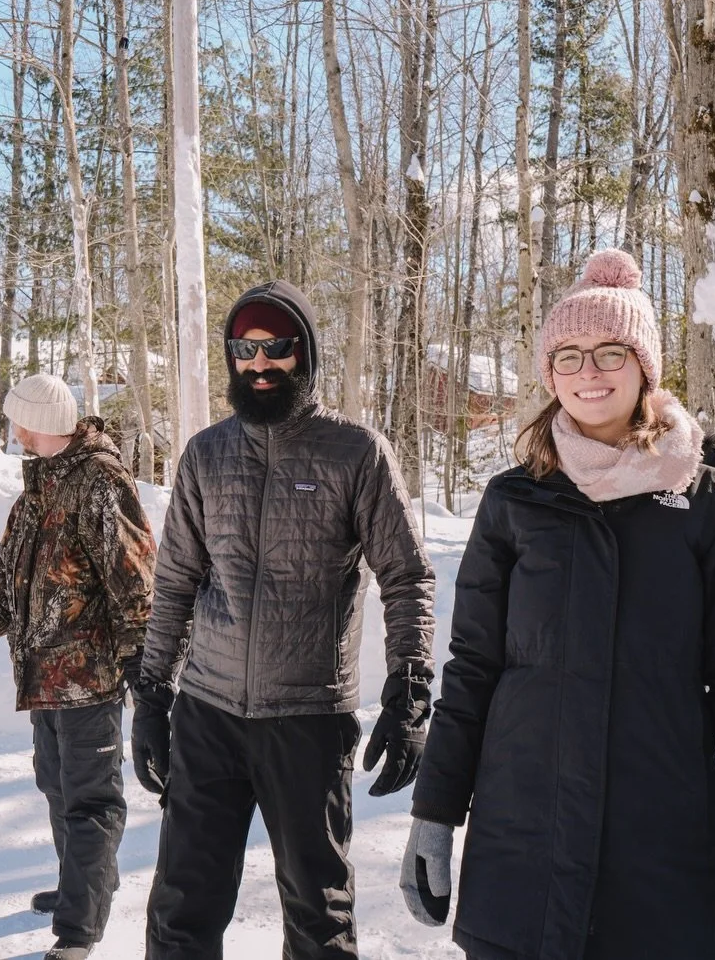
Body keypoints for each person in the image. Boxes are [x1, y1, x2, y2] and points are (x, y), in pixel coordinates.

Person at [401, 249, 715, 960]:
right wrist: (434, 812)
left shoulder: (709, 503)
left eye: (611, 351)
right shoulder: (513, 500)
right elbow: (472, 670)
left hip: (659, 855)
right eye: (570, 355)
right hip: (522, 847)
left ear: (643, 365)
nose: (590, 371)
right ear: (550, 374)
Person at [133, 279, 437, 959]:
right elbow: (175, 581)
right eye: (245, 349)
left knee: (317, 915)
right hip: (208, 714)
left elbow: (406, 576)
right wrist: (152, 696)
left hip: (308, 719)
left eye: (276, 347)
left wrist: (410, 688)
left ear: (305, 352)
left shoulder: (356, 452)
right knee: (180, 910)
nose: (260, 363)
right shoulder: (205, 454)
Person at [0, 373, 157, 960]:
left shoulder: (101, 481)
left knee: (90, 802)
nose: (14, 430)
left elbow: (135, 577)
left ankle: (78, 931)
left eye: (17, 420)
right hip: (43, 675)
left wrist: (140, 663)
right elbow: (12, 581)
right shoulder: (39, 486)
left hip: (89, 677)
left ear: (38, 421)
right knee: (56, 788)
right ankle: (82, 887)